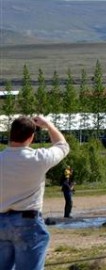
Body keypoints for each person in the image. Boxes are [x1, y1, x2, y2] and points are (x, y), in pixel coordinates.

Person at [0, 115, 70, 270]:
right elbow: (62, 146)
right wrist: (49, 125)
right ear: (31, 137)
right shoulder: (38, 158)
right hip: (28, 222)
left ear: (10, 134)